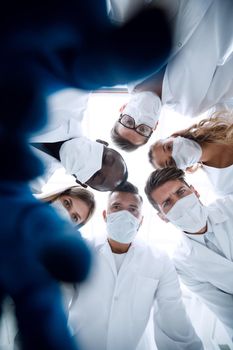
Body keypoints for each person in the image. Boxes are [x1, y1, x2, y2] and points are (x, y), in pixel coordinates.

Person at [67, 181, 203, 350]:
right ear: (105, 215)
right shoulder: (80, 250)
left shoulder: (160, 260)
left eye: (132, 209)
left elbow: (173, 318)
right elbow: (57, 302)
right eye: (116, 207)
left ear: (141, 220)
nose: (125, 214)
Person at [110, 0, 233, 151]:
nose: (140, 117)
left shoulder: (122, 63)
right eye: (143, 129)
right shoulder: (191, 106)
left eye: (129, 122)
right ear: (155, 126)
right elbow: (229, 74)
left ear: (122, 109)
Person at [145, 167, 233, 340]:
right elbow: (227, 311)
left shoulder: (230, 207)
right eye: (167, 203)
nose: (179, 202)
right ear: (163, 217)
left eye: (181, 192)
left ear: (195, 191)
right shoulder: (182, 264)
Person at [149, 111, 233, 196]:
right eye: (171, 162)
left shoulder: (219, 117)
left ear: (174, 137)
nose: (175, 154)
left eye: (169, 147)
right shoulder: (222, 187)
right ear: (180, 169)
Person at [31, 137, 128, 192]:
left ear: (82, 182)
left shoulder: (32, 182)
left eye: (95, 175)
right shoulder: (71, 105)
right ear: (101, 142)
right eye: (104, 159)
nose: (94, 164)